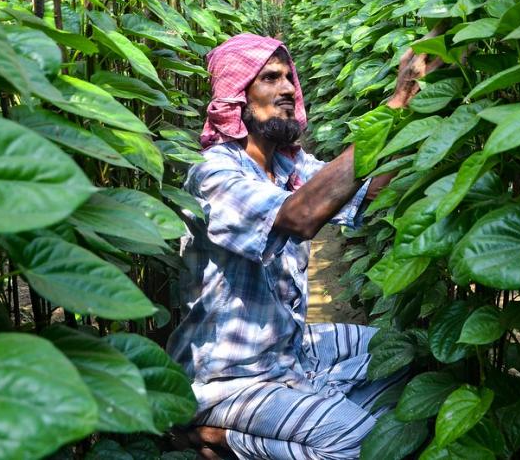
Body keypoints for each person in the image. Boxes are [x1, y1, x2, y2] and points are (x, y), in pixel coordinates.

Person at [167, 32, 443, 459]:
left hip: (288, 349)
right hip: (230, 377)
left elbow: (369, 190)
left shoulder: (288, 166)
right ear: (237, 95)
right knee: (361, 441)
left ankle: (303, 416)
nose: (288, 89)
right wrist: (398, 100)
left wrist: (417, 101)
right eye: (270, 79)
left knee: (406, 353)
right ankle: (221, 438)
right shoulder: (214, 176)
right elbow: (301, 216)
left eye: (288, 78)